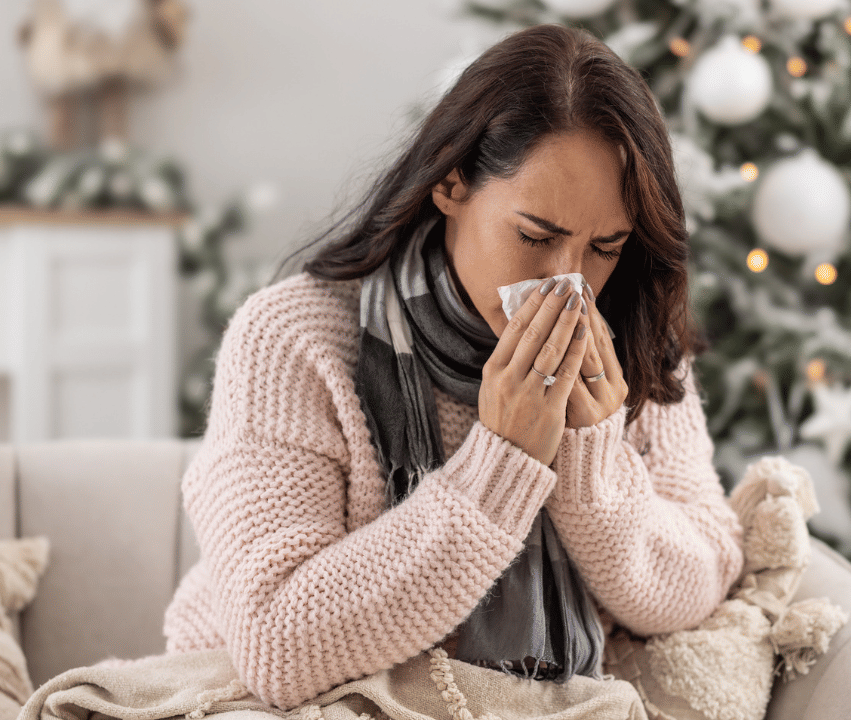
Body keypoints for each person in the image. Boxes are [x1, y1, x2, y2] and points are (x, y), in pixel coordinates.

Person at [162, 23, 744, 712]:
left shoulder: (631, 339)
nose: (567, 283)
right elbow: (277, 642)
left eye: (604, 247)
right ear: (450, 184)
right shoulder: (294, 338)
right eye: (536, 236)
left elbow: (702, 574)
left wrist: (590, 457)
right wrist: (500, 462)